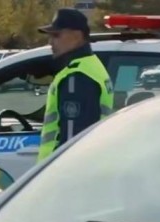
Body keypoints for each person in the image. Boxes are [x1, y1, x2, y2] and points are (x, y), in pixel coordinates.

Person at [36, 8, 114, 162]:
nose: (50, 42)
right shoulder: (91, 66)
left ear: (77, 36)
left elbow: (72, 144)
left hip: (64, 170)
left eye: (56, 35)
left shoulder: (76, 77)